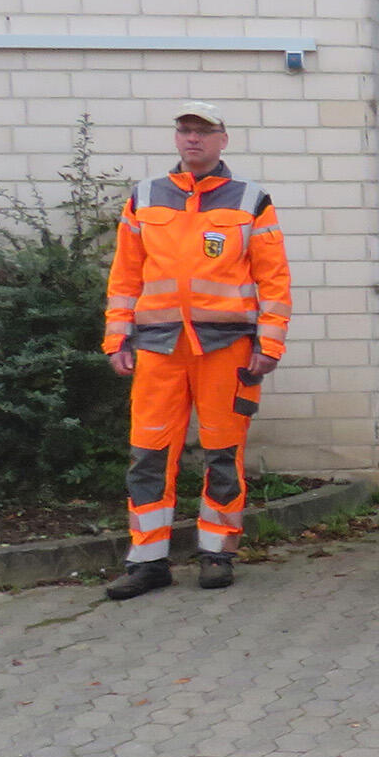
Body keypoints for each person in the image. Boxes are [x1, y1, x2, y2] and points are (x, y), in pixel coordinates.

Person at [101, 103, 292, 598]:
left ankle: (218, 553)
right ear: (176, 138)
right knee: (147, 454)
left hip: (226, 349)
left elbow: (273, 281)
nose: (192, 139)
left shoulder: (251, 199)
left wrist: (270, 343)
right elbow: (125, 275)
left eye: (203, 132)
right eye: (185, 130)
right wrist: (116, 337)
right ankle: (147, 561)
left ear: (223, 140)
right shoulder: (145, 197)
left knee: (223, 453)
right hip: (159, 347)